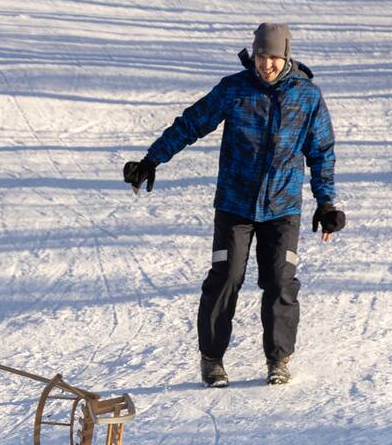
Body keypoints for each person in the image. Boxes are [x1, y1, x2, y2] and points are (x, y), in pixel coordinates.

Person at [123, 22, 345, 387]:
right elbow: (192, 123)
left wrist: (326, 203)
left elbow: (321, 152)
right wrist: (152, 159)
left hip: (283, 207)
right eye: (261, 56)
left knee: (280, 281)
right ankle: (212, 359)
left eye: (274, 58)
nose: (266, 65)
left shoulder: (307, 96)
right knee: (226, 277)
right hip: (234, 204)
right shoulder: (234, 89)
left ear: (286, 56)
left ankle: (278, 359)